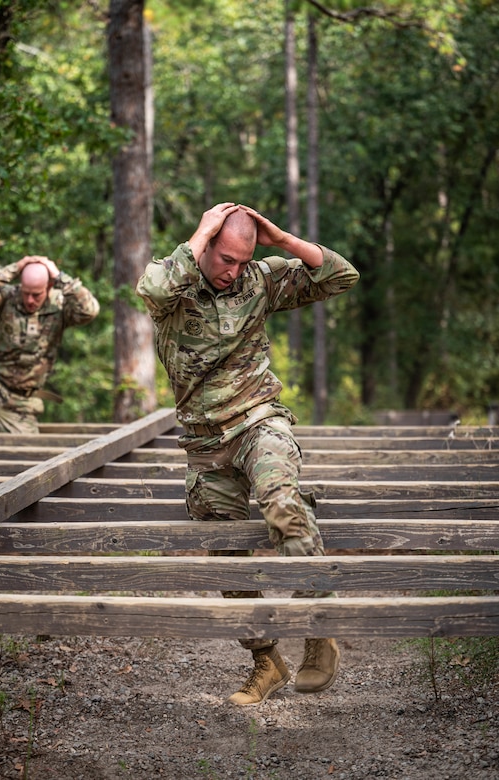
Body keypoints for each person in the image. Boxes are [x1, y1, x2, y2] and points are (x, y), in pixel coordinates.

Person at [136, 202, 360, 705]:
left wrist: (281, 240)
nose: (232, 270)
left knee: (283, 500)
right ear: (208, 244)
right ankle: (266, 661)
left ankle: (318, 629)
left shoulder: (260, 279)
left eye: (242, 259)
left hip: (260, 420)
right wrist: (200, 234)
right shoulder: (177, 285)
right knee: (226, 557)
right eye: (225, 258)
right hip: (203, 440)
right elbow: (148, 290)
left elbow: (341, 276)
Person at [0, 255, 99, 433]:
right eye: (25, 293)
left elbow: (89, 311)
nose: (29, 300)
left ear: (49, 286)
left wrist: (59, 276)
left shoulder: (59, 305)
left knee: (27, 456)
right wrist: (15, 268)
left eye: (36, 295)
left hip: (22, 401)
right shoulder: (8, 298)